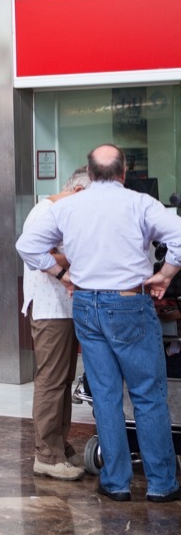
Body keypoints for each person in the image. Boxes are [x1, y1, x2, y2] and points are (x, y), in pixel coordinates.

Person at [17, 144, 181, 503]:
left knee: (105, 397)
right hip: (129, 305)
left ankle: (116, 482)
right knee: (148, 396)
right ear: (124, 173)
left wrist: (62, 274)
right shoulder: (141, 203)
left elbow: (27, 245)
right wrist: (166, 275)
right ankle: (161, 483)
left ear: (89, 175)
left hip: (86, 306)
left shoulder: (68, 207)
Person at [21, 166, 91, 481]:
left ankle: (59, 446)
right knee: (51, 380)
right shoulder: (45, 212)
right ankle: (47, 455)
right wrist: (68, 262)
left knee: (63, 381)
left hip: (65, 307)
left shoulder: (64, 212)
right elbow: (32, 250)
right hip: (50, 307)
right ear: (78, 191)